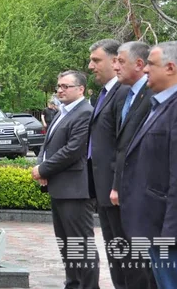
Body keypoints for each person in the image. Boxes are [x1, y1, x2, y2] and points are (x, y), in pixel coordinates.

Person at [120, 42, 177, 288]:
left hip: (172, 235)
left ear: (171, 67)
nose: (146, 69)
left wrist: (171, 236)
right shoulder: (163, 105)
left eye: (151, 64)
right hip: (156, 228)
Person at [32, 70, 99, 289]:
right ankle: (73, 284)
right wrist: (42, 165)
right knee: (67, 244)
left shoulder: (85, 113)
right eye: (58, 86)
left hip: (76, 190)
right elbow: (48, 145)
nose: (60, 90)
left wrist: (44, 169)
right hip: (59, 188)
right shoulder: (62, 112)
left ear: (80, 89)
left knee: (81, 244)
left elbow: (73, 150)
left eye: (65, 86)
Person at [110, 41, 157, 289]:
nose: (114, 66)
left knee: (143, 264)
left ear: (139, 64)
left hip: (143, 194)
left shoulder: (153, 96)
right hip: (126, 192)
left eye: (120, 61)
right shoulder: (125, 95)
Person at [87, 39, 129, 289]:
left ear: (115, 61)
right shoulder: (104, 94)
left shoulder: (123, 93)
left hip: (117, 191)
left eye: (96, 60)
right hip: (102, 190)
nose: (91, 66)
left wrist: (116, 185)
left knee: (125, 256)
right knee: (115, 253)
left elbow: (123, 144)